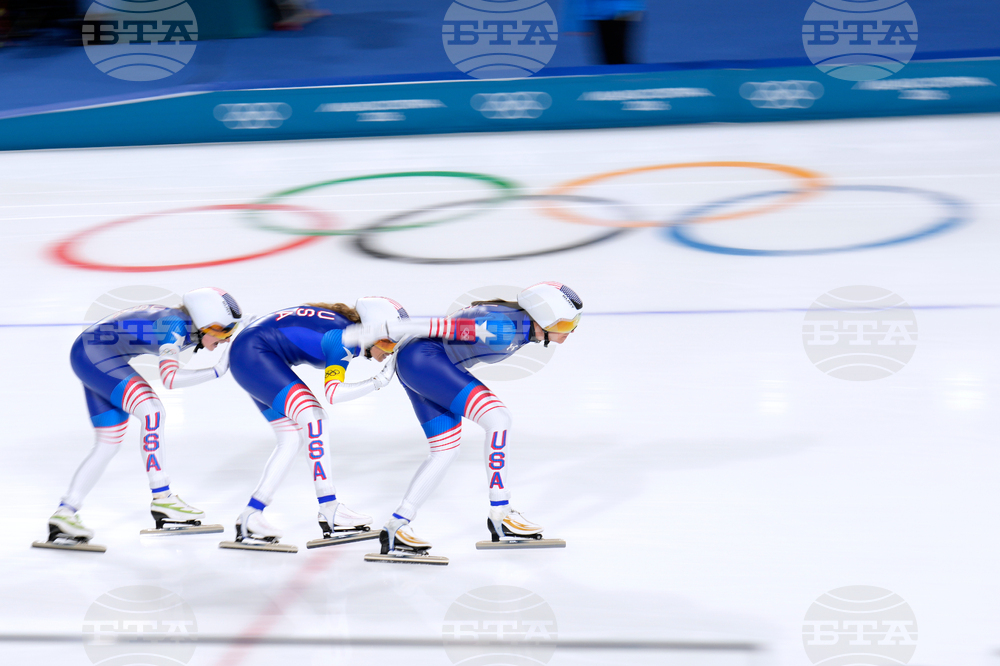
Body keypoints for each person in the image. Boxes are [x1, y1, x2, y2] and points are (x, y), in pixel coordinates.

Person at [368, 282, 584, 558]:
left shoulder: (517, 325)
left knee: (444, 451)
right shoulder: (501, 327)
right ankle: (501, 514)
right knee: (498, 418)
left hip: (419, 362)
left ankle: (397, 526)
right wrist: (384, 333)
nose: (572, 330)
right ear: (543, 315)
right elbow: (437, 328)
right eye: (566, 324)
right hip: (425, 360)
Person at [42, 288, 241, 548]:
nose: (226, 340)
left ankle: (65, 513)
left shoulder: (185, 323)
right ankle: (163, 498)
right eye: (224, 331)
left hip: (90, 352)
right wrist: (216, 371)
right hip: (95, 355)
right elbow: (169, 379)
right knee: (153, 411)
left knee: (108, 442)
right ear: (205, 321)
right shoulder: (175, 326)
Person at [225, 297, 405, 546]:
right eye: (386, 342)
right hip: (254, 355)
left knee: (291, 438)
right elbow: (334, 393)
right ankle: (329, 508)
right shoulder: (344, 339)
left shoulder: (345, 330)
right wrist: (378, 382)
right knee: (315, 419)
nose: (387, 353)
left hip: (250, 353)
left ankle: (251, 515)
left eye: (394, 345)